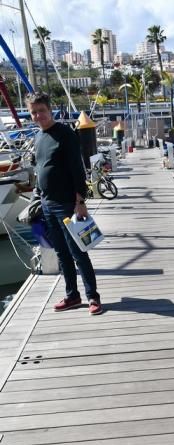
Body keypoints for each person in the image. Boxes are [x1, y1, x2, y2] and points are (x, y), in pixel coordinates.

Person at [27, 92, 102, 315]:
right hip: (47, 204)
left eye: (41, 110)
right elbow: (40, 168)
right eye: (34, 112)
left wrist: (80, 200)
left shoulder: (65, 134)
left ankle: (93, 297)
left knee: (78, 252)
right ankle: (72, 295)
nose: (38, 115)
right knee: (61, 254)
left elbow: (77, 169)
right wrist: (37, 197)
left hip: (67, 203)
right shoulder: (39, 137)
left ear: (50, 110)